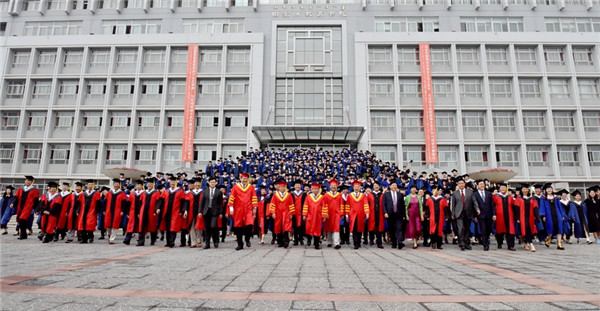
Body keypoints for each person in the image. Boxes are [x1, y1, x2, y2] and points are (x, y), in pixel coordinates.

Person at [227, 172, 258, 250]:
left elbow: (254, 197)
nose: (244, 180)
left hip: (248, 209)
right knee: (238, 227)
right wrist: (231, 207)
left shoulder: (251, 187)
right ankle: (240, 243)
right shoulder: (235, 187)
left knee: (250, 224)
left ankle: (247, 238)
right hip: (238, 210)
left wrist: (254, 207)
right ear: (240, 179)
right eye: (243, 178)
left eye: (246, 179)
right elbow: (232, 197)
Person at [451, 179, 480, 251]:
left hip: (468, 212)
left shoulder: (470, 192)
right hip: (459, 213)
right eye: (459, 183)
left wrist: (477, 209)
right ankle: (462, 243)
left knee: (467, 229)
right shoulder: (455, 193)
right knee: (460, 229)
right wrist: (453, 213)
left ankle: (467, 242)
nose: (461, 184)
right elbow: (453, 204)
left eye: (462, 183)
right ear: (458, 184)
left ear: (464, 184)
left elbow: (474, 201)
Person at [159, 176, 186, 248]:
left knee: (173, 227)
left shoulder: (180, 191)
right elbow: (161, 201)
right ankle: (168, 241)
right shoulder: (166, 191)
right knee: (168, 227)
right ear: (169, 183)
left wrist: (181, 211)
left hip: (176, 212)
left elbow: (183, 202)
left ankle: (172, 241)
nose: (172, 183)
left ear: (176, 183)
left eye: (174, 182)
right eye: (171, 182)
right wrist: (158, 208)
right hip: (167, 212)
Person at [200, 177, 225, 249]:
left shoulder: (218, 192)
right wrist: (200, 211)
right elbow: (202, 202)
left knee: (213, 227)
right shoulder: (205, 192)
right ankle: (207, 243)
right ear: (208, 183)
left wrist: (220, 213)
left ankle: (215, 240)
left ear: (216, 183)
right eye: (211, 182)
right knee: (207, 228)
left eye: (214, 182)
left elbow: (220, 203)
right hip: (206, 211)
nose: (212, 183)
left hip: (215, 212)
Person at [269, 179, 295, 248]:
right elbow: (272, 205)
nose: (282, 188)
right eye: (281, 187)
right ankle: (280, 242)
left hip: (286, 213)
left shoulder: (289, 195)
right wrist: (273, 213)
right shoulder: (275, 195)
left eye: (283, 187)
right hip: (278, 213)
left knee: (286, 227)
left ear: (285, 188)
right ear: (279, 188)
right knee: (279, 228)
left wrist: (292, 213)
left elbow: (291, 205)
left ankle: (286, 241)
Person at [540, 184, 567, 250]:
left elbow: (560, 207)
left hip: (557, 215)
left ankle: (559, 244)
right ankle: (548, 239)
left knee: (559, 229)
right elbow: (542, 207)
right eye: (548, 189)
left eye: (550, 189)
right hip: (549, 215)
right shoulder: (543, 198)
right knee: (550, 229)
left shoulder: (556, 198)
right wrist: (543, 215)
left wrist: (562, 215)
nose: (549, 190)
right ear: (545, 190)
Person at [514, 184, 539, 252]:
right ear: (521, 190)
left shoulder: (532, 199)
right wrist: (517, 218)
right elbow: (516, 209)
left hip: (530, 217)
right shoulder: (518, 199)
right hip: (522, 218)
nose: (525, 190)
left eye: (526, 189)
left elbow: (535, 208)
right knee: (525, 230)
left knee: (529, 229)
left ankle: (526, 243)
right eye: (524, 189)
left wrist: (537, 217)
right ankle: (531, 244)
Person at [13, 176, 39, 240]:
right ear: (25, 181)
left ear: (32, 182)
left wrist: (36, 209)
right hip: (20, 207)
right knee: (21, 220)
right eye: (27, 180)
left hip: (28, 207)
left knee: (22, 220)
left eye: (29, 181)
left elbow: (36, 200)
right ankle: (24, 234)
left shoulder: (34, 190)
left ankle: (23, 234)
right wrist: (13, 203)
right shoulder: (21, 189)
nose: (28, 182)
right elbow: (16, 197)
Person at [302, 183, 328, 250]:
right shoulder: (308, 196)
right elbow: (305, 205)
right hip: (310, 215)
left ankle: (316, 244)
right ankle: (309, 239)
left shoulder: (322, 197)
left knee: (317, 230)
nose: (315, 190)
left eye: (316, 189)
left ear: (319, 189)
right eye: (314, 189)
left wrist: (324, 216)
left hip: (318, 217)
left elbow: (324, 207)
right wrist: (304, 214)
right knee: (308, 229)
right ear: (311, 189)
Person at [137, 178, 162, 246]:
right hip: (143, 211)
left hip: (152, 211)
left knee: (152, 226)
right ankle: (141, 241)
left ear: (153, 184)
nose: (149, 185)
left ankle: (153, 240)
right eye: (148, 184)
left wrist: (157, 209)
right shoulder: (143, 193)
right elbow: (140, 203)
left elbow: (158, 202)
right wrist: (139, 212)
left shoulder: (156, 193)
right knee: (142, 226)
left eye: (151, 183)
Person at [492, 183, 517, 251]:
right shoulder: (495, 197)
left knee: (510, 231)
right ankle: (499, 243)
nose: (503, 189)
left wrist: (515, 217)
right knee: (499, 231)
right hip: (499, 216)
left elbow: (513, 207)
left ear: (506, 189)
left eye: (504, 188)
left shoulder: (509, 197)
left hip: (509, 216)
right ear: (499, 189)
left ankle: (510, 246)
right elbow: (492, 207)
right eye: (501, 188)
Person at [383, 182, 406, 249]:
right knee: (392, 229)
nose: (394, 186)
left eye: (395, 185)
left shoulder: (400, 195)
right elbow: (384, 204)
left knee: (399, 228)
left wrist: (403, 215)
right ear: (390, 186)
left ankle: (399, 242)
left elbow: (402, 205)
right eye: (393, 185)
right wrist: (385, 212)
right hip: (390, 214)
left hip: (398, 214)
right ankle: (394, 242)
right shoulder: (386, 194)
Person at [347, 180, 369, 250]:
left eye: (357, 187)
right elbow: (347, 206)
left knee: (360, 229)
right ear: (353, 187)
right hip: (352, 215)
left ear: (360, 187)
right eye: (355, 187)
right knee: (354, 229)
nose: (356, 188)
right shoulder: (350, 196)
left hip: (361, 214)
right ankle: (355, 243)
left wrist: (367, 212)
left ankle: (359, 242)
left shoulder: (362, 196)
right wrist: (347, 215)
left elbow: (366, 204)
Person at [104, 179, 127, 245]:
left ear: (119, 186)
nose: (116, 186)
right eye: (115, 185)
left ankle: (112, 238)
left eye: (117, 185)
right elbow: (105, 202)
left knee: (115, 224)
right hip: (109, 210)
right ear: (113, 185)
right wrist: (104, 210)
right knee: (108, 224)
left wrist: (122, 211)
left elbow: (124, 203)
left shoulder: (122, 193)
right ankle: (109, 235)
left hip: (117, 211)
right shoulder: (109, 193)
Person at [425, 185, 448, 250]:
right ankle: (433, 242)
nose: (435, 192)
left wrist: (446, 216)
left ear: (438, 191)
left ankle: (439, 244)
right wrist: (427, 215)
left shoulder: (443, 199)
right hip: (432, 217)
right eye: (433, 190)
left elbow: (446, 208)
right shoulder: (429, 199)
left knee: (439, 230)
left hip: (441, 217)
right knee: (433, 230)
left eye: (437, 190)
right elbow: (427, 208)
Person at [473, 180, 494, 251]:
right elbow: (473, 206)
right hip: (480, 215)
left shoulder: (488, 194)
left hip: (489, 214)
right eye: (480, 184)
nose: (482, 185)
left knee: (488, 229)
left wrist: (494, 214)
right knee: (483, 230)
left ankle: (486, 239)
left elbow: (492, 205)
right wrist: (475, 216)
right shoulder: (474, 194)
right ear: (477, 185)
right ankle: (485, 245)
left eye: (483, 184)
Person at [323, 179, 344, 249]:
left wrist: (341, 213)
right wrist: (325, 212)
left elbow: (341, 204)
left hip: (336, 213)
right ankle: (329, 241)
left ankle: (336, 243)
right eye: (332, 185)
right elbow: (324, 204)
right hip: (329, 213)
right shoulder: (326, 195)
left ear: (337, 186)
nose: (333, 187)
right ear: (330, 186)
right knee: (329, 227)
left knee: (336, 228)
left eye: (335, 185)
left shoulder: (339, 195)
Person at [124, 180, 144, 245]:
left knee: (140, 226)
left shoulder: (143, 194)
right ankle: (127, 239)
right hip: (132, 212)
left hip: (140, 212)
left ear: (142, 186)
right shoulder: (133, 194)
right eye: (137, 185)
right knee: (130, 226)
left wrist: (139, 213)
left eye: (139, 185)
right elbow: (128, 204)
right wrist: (128, 213)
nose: (138, 186)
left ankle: (140, 240)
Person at [366, 182, 385, 248]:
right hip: (372, 213)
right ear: (373, 187)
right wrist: (367, 212)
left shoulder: (382, 195)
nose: (376, 186)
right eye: (375, 185)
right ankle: (371, 239)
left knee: (379, 227)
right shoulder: (370, 195)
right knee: (371, 226)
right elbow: (367, 204)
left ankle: (379, 242)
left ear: (379, 186)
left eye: (377, 185)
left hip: (380, 213)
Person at [404, 185, 423, 249]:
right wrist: (406, 215)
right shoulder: (408, 197)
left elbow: (420, 206)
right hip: (411, 214)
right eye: (412, 188)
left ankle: (417, 238)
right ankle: (415, 242)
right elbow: (406, 207)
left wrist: (421, 215)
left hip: (417, 214)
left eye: (414, 188)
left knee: (418, 228)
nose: (413, 190)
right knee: (412, 229)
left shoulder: (419, 197)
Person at [187, 178, 205, 248]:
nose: (197, 184)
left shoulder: (203, 192)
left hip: (200, 212)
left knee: (199, 227)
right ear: (194, 184)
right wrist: (186, 210)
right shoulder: (190, 193)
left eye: (198, 183)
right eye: (196, 183)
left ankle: (199, 240)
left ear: (200, 184)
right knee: (192, 227)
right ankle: (193, 242)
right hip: (191, 212)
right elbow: (187, 202)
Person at [291, 180, 307, 246]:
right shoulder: (291, 194)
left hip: (301, 212)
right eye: (296, 185)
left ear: (301, 186)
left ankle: (301, 239)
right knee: (294, 227)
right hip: (294, 212)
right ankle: (296, 240)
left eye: (298, 185)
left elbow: (306, 203)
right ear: (294, 186)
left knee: (302, 226)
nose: (297, 186)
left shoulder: (304, 194)